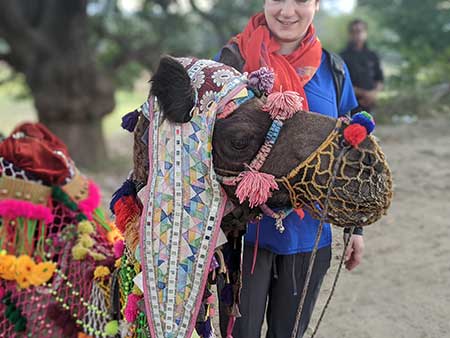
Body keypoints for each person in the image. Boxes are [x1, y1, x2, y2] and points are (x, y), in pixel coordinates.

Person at [214, 1, 365, 337]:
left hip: (309, 233)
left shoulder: (334, 70)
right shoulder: (231, 62)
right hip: (242, 235)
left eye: (300, 0)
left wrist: (356, 227)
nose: (286, 11)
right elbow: (201, 145)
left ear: (316, 5)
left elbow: (350, 151)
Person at [340, 19, 384, 114]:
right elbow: (342, 83)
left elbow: (379, 79)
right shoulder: (342, 57)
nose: (357, 35)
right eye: (354, 32)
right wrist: (364, 94)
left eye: (360, 31)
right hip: (351, 106)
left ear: (365, 33)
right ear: (350, 34)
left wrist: (373, 94)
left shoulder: (372, 55)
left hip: (370, 104)